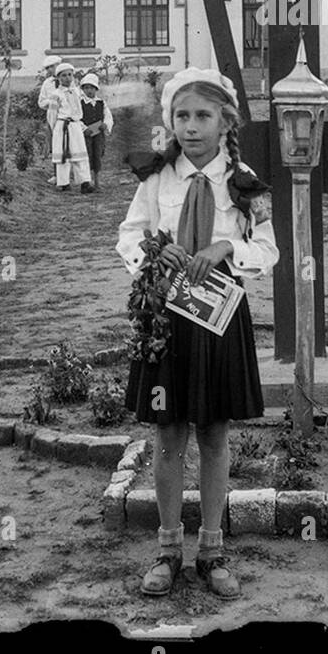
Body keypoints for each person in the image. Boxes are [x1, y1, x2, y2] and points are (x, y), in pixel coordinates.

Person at [116, 67, 277, 599]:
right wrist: (155, 254)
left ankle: (212, 552)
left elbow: (268, 251)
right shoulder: (159, 176)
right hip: (167, 323)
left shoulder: (244, 181)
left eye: (202, 116)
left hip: (218, 325)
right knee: (168, 436)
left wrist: (227, 248)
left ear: (225, 121)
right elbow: (130, 235)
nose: (190, 127)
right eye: (181, 116)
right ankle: (167, 551)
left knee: (212, 434)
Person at [50, 61, 93, 193]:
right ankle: (63, 183)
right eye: (63, 75)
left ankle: (85, 182)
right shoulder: (56, 95)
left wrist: (81, 126)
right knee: (64, 155)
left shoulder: (77, 92)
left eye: (70, 75)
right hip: (62, 126)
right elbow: (52, 115)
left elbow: (77, 112)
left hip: (75, 127)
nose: (67, 78)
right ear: (58, 78)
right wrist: (56, 129)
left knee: (80, 154)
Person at [78, 72, 114, 190]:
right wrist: (84, 128)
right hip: (86, 135)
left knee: (97, 155)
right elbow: (76, 117)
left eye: (92, 88)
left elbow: (108, 116)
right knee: (86, 155)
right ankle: (86, 182)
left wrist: (105, 124)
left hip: (98, 134)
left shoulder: (101, 102)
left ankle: (97, 181)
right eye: (86, 88)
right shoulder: (80, 102)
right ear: (83, 89)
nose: (89, 91)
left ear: (96, 89)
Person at [37, 57, 60, 180]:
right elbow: (41, 102)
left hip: (66, 118)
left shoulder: (68, 80)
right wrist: (51, 101)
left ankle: (67, 174)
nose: (50, 70)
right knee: (55, 146)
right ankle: (56, 174)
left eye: (52, 66)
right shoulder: (47, 83)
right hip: (52, 118)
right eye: (48, 68)